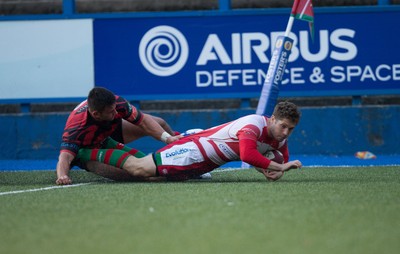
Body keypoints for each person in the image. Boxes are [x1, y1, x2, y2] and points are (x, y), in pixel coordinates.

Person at [76, 101, 303, 182]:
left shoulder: (279, 138)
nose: (285, 133)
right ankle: (85, 154)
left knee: (149, 175)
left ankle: (103, 146)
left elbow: (279, 158)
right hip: (195, 152)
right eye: (282, 126)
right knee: (139, 170)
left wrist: (273, 170)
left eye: (290, 129)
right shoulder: (254, 125)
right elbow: (248, 155)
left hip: (204, 161)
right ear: (272, 119)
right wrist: (278, 166)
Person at [56, 87, 181, 185]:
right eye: (111, 111)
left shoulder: (117, 104)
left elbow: (143, 121)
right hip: (86, 150)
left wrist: (168, 138)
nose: (116, 113)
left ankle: (182, 146)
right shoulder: (77, 127)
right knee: (140, 174)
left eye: (115, 108)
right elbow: (65, 157)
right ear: (96, 114)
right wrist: (62, 176)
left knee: (160, 123)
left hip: (107, 133)